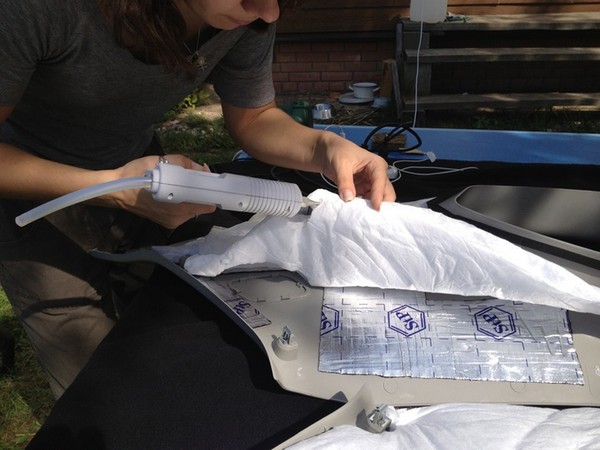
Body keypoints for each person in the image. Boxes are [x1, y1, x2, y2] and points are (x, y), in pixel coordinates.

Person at [0, 0, 395, 400]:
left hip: (143, 171)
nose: (269, 13)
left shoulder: (252, 13)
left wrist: (325, 147)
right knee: (94, 380)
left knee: (176, 327)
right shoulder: (39, 9)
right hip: (31, 188)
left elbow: (254, 117)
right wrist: (113, 188)